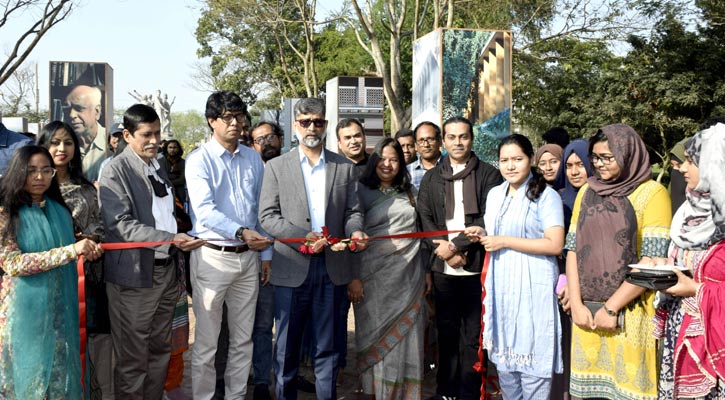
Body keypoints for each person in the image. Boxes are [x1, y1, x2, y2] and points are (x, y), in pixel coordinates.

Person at [258, 97, 368, 400]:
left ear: (326, 125)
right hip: (291, 268)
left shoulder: (344, 167)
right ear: (294, 125)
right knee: (286, 350)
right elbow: (267, 216)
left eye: (317, 121)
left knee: (328, 348)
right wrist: (302, 237)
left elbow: (353, 211)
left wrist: (355, 230)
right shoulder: (276, 167)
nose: (311, 127)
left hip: (332, 270)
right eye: (305, 121)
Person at [98, 104, 204, 400]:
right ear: (127, 135)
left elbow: (167, 213)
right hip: (133, 278)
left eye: (158, 133)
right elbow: (120, 225)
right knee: (133, 361)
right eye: (147, 134)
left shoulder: (158, 166)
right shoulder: (114, 171)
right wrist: (171, 239)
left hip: (167, 272)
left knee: (160, 352)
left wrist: (178, 239)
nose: (155, 141)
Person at [562, 124, 671, 400]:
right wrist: (576, 304)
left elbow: (652, 262)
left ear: (627, 153)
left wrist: (611, 309)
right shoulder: (587, 192)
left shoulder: (652, 194)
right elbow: (573, 250)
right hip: (587, 315)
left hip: (631, 314)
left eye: (607, 157)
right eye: (596, 157)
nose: (599, 165)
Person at [185, 91, 273, 400]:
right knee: (207, 343)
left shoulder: (253, 158)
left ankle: (236, 396)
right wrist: (241, 231)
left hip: (248, 259)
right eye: (228, 117)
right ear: (212, 121)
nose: (236, 123)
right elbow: (205, 211)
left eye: (240, 117)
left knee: (243, 339)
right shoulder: (198, 160)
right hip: (212, 259)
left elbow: (260, 209)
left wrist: (265, 253)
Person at [464, 133, 565, 399]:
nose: (510, 166)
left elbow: (555, 244)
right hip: (503, 289)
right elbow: (497, 233)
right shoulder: (496, 194)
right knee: (508, 373)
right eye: (504, 160)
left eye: (517, 159)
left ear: (531, 159)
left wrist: (503, 241)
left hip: (533, 289)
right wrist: (482, 232)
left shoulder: (547, 196)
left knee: (533, 371)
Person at [0, 145, 103, 399]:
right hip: (23, 315)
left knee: (60, 380)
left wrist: (85, 249)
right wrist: (70, 251)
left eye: (46, 171)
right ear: (18, 171)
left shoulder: (58, 210)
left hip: (60, 313)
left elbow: (70, 248)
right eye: (31, 170)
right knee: (27, 382)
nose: (39, 177)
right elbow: (13, 263)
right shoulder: (6, 212)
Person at [416, 116, 501, 400]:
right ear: (444, 141)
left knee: (472, 336)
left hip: (475, 267)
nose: (457, 142)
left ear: (471, 139)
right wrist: (443, 250)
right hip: (443, 270)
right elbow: (425, 217)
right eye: (451, 137)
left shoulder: (489, 174)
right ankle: (446, 391)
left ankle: (469, 392)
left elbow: (488, 216)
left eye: (463, 136)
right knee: (446, 333)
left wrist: (457, 248)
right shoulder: (432, 177)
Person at [36, 121, 113, 399]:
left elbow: (100, 228)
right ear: (42, 146)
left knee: (87, 345)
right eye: (54, 142)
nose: (61, 149)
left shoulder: (86, 189)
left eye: (67, 142)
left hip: (83, 280)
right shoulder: (34, 190)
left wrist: (89, 241)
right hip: (44, 281)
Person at [653, 121, 725, 399]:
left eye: (692, 161)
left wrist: (696, 290)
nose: (682, 168)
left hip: (713, 346)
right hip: (679, 335)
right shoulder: (688, 214)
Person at [355, 138, 428, 398]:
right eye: (382, 159)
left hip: (409, 275)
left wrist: (427, 271)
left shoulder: (411, 192)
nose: (387, 164)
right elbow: (351, 231)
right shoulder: (360, 191)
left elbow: (421, 232)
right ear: (373, 160)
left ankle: (405, 391)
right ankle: (376, 390)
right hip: (372, 277)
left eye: (394, 159)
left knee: (408, 332)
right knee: (374, 331)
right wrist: (353, 277)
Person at [249, 120, 284, 400]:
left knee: (276, 326)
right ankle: (253, 378)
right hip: (256, 260)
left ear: (281, 139)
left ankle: (274, 378)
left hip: (289, 262)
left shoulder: (293, 169)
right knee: (253, 326)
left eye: (270, 136)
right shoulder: (251, 173)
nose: (266, 143)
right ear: (252, 145)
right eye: (259, 139)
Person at [64, 84, 108, 182]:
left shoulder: (112, 143)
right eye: (67, 109)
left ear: (97, 112)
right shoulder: (61, 145)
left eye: (79, 108)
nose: (71, 115)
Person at [408, 121, 442, 191]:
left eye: (430, 139)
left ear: (440, 142)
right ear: (415, 146)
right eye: (421, 140)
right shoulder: (407, 172)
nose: (426, 145)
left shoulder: (452, 167)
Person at [161, 139, 187, 204]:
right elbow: (162, 178)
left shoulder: (183, 162)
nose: (172, 150)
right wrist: (175, 177)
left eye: (175, 147)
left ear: (178, 149)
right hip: (164, 194)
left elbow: (182, 180)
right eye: (170, 147)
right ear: (166, 148)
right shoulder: (160, 162)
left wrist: (169, 180)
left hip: (179, 194)